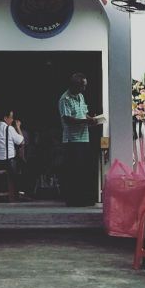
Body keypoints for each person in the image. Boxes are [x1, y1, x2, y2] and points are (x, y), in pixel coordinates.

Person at [58, 73, 101, 208]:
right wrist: (86, 121)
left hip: (84, 137)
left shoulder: (81, 96)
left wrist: (91, 119)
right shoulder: (65, 99)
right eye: (82, 86)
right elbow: (67, 119)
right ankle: (73, 200)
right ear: (75, 85)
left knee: (83, 170)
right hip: (72, 140)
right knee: (74, 171)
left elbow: (83, 113)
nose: (84, 88)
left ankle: (84, 199)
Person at [0, 108, 24, 196]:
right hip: (8, 163)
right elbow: (22, 142)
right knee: (23, 164)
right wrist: (18, 127)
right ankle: (18, 192)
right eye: (11, 117)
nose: (12, 120)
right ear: (5, 118)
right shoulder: (9, 128)